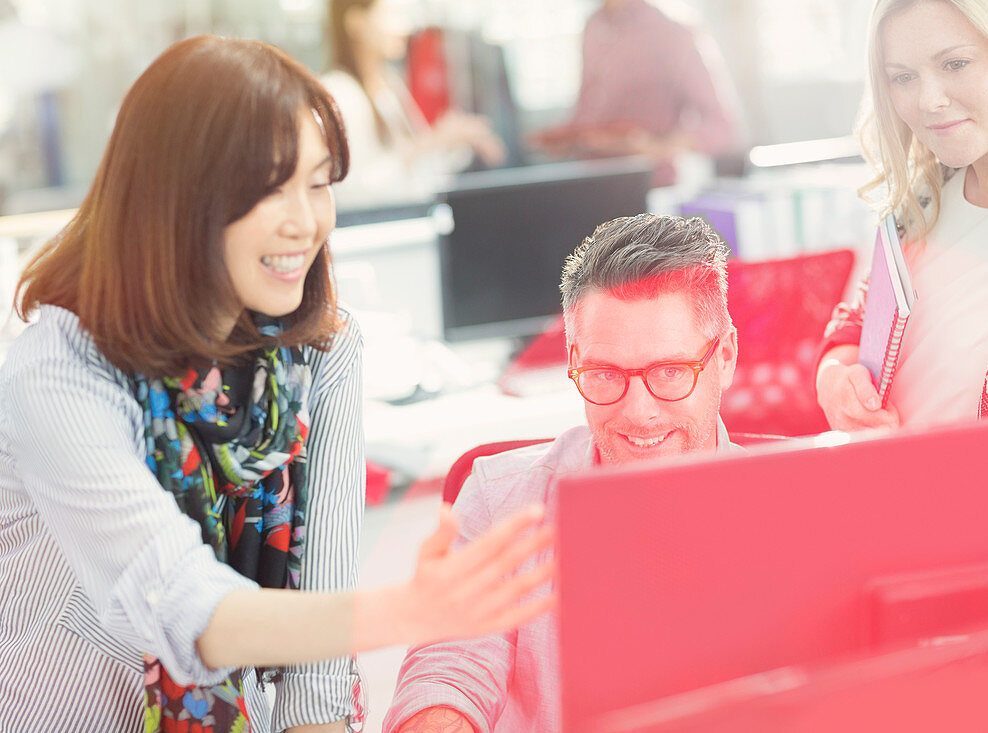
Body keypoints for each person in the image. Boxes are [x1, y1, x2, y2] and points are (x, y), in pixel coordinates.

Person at [0, 36, 554, 732]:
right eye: (267, 187)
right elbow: (181, 604)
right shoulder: (60, 369)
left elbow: (316, 685)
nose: (305, 220)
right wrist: (408, 609)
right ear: (177, 196)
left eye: (318, 182)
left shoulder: (322, 351)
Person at [382, 214, 742, 733]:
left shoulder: (802, 517)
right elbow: (449, 671)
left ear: (724, 357)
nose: (639, 413)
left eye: (669, 372)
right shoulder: (500, 497)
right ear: (574, 361)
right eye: (604, 374)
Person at [815, 0, 988, 431]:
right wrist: (835, 377)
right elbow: (858, 323)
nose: (929, 101)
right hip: (898, 488)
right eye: (903, 77)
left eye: (956, 63)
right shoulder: (922, 198)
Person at [531, 0, 741, 184]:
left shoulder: (673, 30)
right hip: (591, 182)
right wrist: (565, 138)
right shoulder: (593, 25)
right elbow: (588, 110)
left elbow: (720, 125)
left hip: (648, 189)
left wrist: (656, 147)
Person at [322, 0, 505, 207]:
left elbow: (421, 174)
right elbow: (352, 191)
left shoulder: (390, 84)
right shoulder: (339, 92)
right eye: (394, 14)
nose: (406, 27)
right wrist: (430, 142)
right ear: (357, 22)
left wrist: (454, 141)